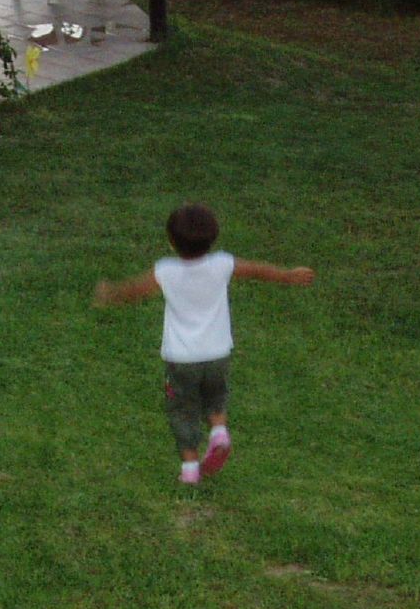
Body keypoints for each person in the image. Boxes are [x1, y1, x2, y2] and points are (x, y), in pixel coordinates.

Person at [94, 202, 315, 484]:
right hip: (217, 352)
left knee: (182, 409)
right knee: (215, 395)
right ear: (213, 237)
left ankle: (189, 470)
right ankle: (219, 433)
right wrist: (287, 275)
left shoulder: (166, 271)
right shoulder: (222, 264)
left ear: (172, 242)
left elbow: (136, 291)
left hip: (181, 358)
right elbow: (256, 270)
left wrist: (111, 294)